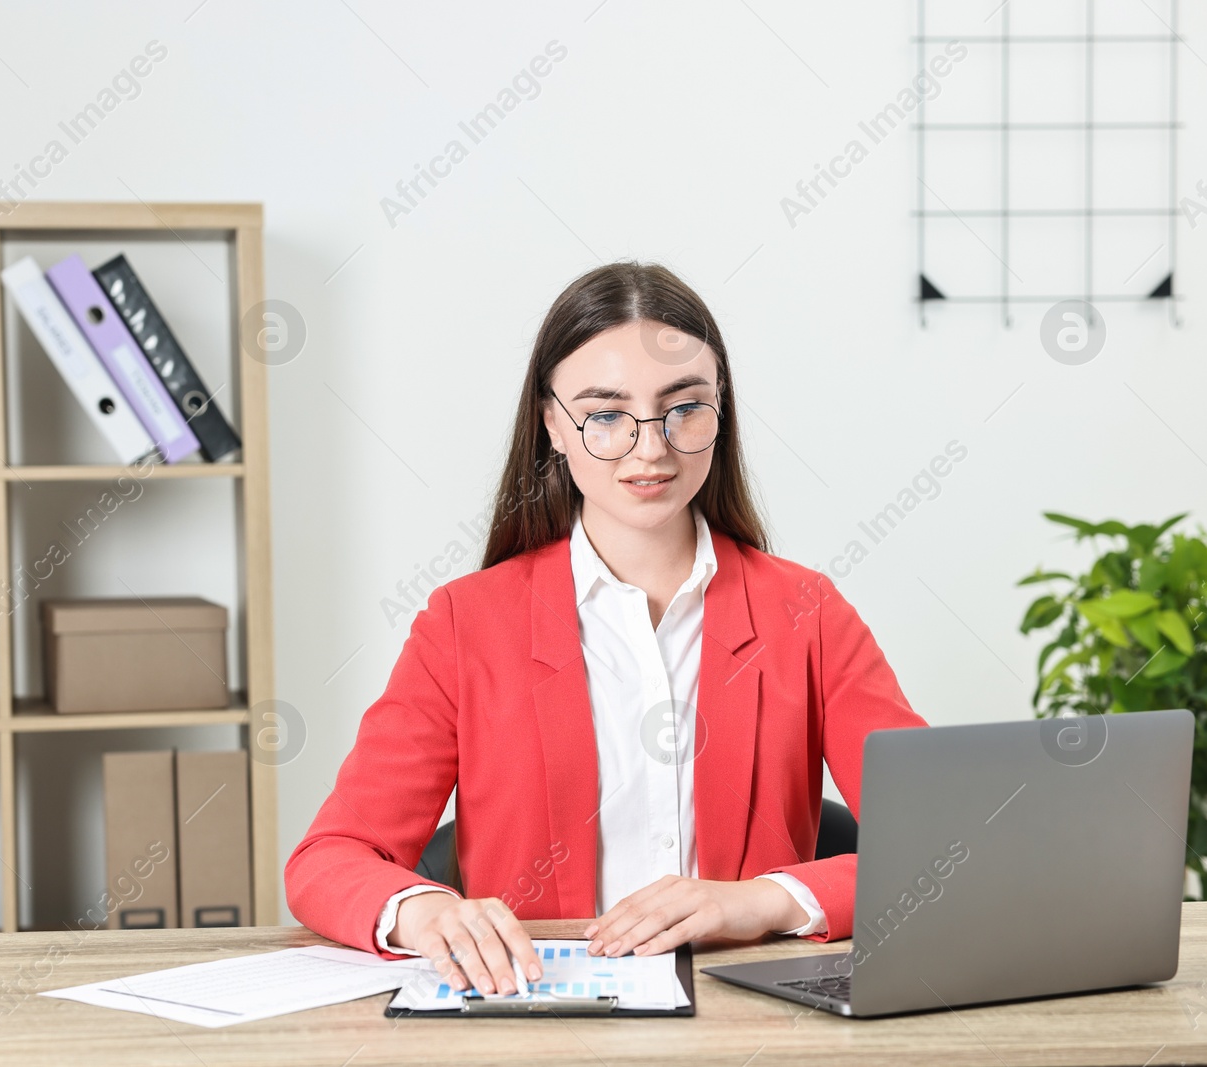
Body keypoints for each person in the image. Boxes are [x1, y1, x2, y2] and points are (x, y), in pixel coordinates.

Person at [285, 261, 927, 998]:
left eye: (684, 407)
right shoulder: (465, 623)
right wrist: (423, 908)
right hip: (537, 1021)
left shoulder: (808, 614)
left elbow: (942, 842)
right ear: (553, 423)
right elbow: (330, 856)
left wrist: (759, 899)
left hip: (748, 1017)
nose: (650, 448)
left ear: (721, 412)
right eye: (606, 414)